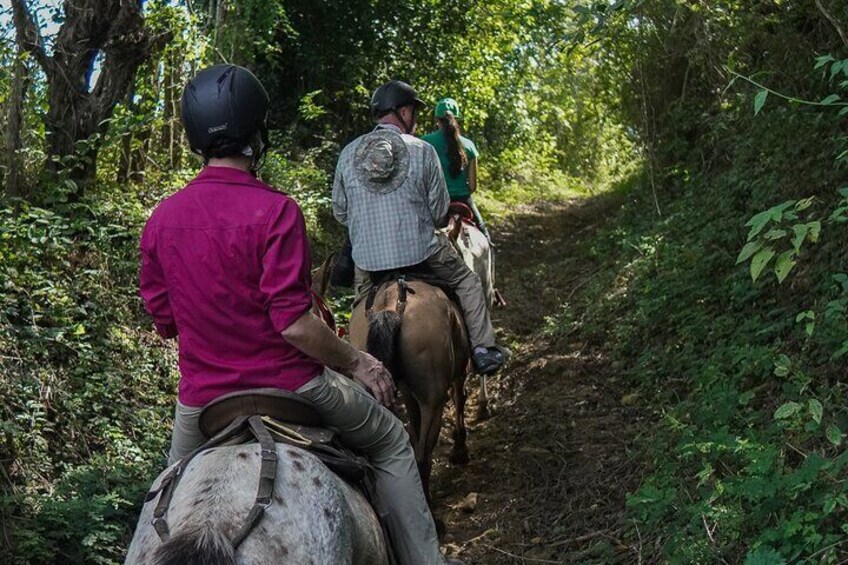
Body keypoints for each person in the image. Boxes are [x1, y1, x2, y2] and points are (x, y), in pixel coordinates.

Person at [140, 65, 459, 565]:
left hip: (202, 400)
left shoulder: (161, 220)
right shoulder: (277, 210)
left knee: (164, 499)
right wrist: (359, 363)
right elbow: (293, 322)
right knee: (394, 442)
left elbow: (165, 321)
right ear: (255, 132)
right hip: (294, 385)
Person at [332, 79, 505, 375]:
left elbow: (340, 213)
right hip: (422, 253)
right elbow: (439, 213)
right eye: (413, 112)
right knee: (468, 282)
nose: (414, 120)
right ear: (403, 111)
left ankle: (352, 365)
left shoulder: (348, 153)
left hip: (370, 263)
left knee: (361, 302)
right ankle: (482, 349)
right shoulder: (422, 151)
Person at [421, 97, 491, 242]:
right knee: (484, 235)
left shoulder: (425, 143)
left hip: (435, 203)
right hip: (463, 200)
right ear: (456, 119)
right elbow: (472, 186)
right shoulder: (469, 145)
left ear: (437, 119)